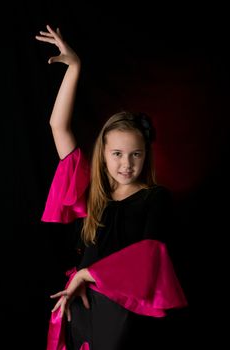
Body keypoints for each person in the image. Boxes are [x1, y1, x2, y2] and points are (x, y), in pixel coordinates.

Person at [35, 25, 188, 350]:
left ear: (146, 156)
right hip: (81, 303)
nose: (126, 164)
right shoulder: (93, 194)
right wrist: (74, 68)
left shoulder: (155, 198)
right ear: (102, 155)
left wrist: (85, 274)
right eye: (117, 154)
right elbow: (57, 126)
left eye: (135, 154)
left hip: (121, 313)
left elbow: (149, 258)